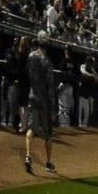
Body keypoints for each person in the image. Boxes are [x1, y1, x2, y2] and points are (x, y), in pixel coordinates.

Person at [22, 36, 56, 175]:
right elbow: (50, 87)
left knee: (31, 128)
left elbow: (26, 74)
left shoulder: (30, 56)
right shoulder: (47, 62)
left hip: (32, 96)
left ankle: (28, 156)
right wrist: (53, 109)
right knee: (48, 134)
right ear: (46, 48)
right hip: (44, 101)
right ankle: (48, 163)